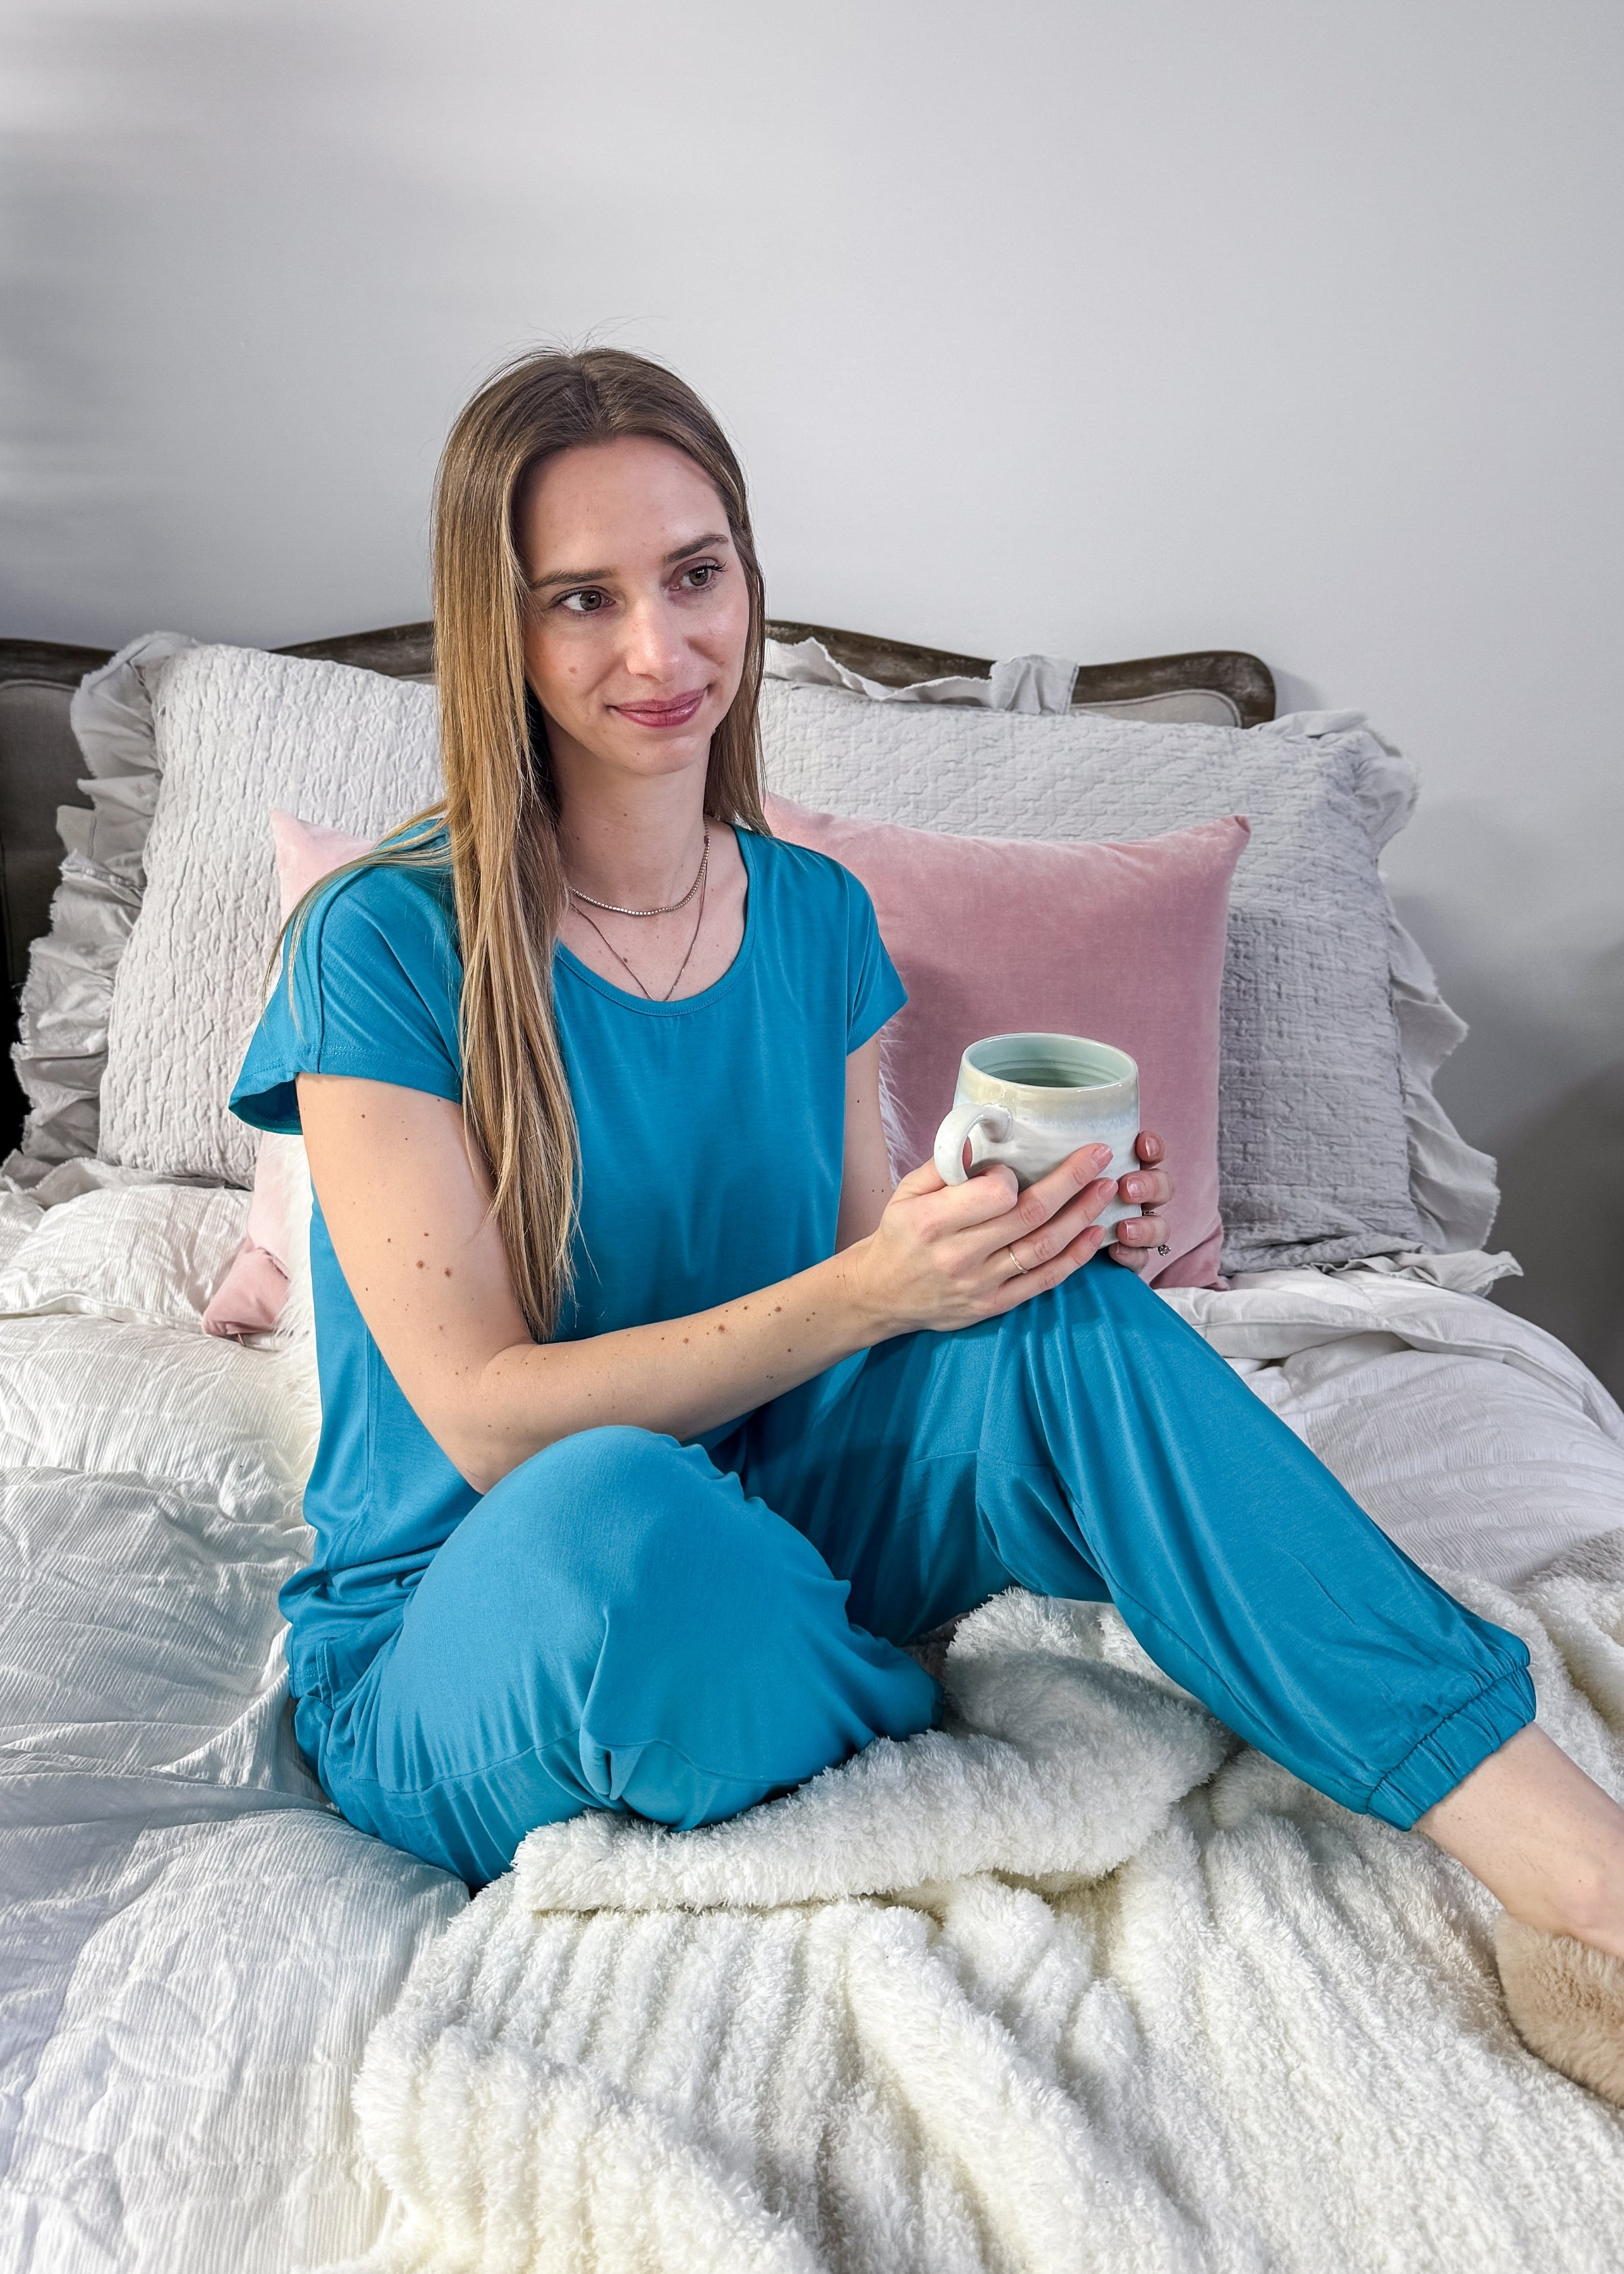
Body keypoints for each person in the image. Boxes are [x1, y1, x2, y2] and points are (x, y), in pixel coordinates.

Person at [232, 348, 1622, 2100]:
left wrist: (1003, 1253)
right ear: (494, 627)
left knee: (1076, 1334)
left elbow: (867, 1286)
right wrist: (874, 1287)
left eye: (694, 575)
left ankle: (1580, 1873)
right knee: (618, 1513)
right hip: (480, 1607)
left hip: (771, 1504)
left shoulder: (814, 912)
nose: (657, 652)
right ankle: (877, 1698)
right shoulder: (380, 939)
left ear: (747, 572)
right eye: (581, 600)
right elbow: (484, 1415)